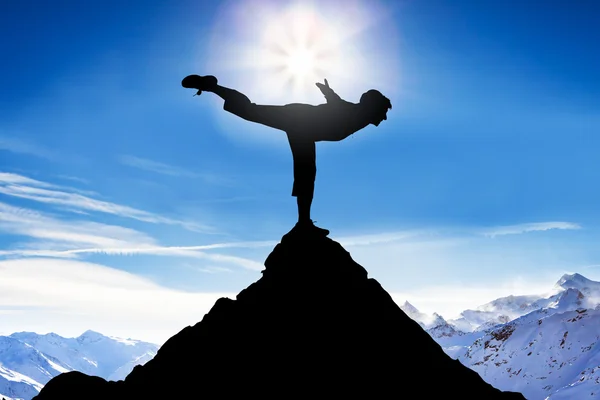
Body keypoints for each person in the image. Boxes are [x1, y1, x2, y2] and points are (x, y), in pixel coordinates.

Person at [182, 74, 391, 237]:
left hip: (303, 127)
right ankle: (212, 86)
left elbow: (338, 102)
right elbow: (338, 104)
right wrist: (329, 93)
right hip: (299, 120)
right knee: (304, 170)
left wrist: (329, 92)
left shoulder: (359, 114)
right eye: (383, 112)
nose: (384, 117)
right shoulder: (357, 112)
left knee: (306, 172)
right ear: (372, 107)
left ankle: (304, 223)